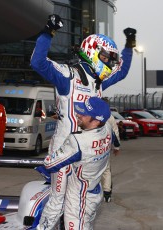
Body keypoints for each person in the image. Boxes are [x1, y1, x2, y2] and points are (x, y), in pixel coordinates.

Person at [31, 14, 136, 229]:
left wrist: (130, 44)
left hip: (85, 157)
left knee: (81, 205)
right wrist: (48, 31)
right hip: (64, 152)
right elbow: (37, 62)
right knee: (57, 203)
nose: (109, 63)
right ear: (93, 51)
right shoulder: (67, 76)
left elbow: (123, 71)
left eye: (111, 59)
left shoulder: (98, 84)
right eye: (106, 57)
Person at [43, 97, 115, 229]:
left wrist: (61, 149)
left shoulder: (78, 141)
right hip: (94, 190)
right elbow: (115, 142)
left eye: (84, 113)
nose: (78, 114)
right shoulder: (108, 128)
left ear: (96, 120)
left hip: (79, 198)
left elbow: (50, 164)